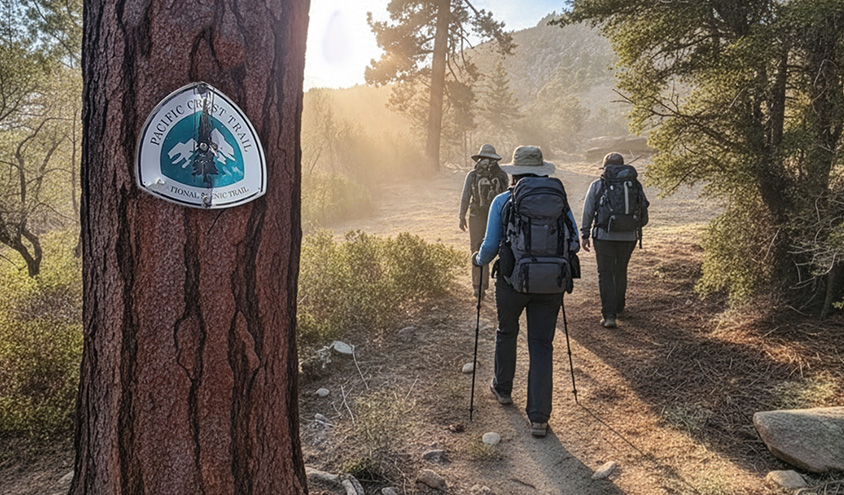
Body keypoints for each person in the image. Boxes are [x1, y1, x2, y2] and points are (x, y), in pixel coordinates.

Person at [472, 145, 579, 438]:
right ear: (542, 171)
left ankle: (503, 389)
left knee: (506, 331)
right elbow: (573, 242)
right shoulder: (559, 199)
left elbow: (490, 246)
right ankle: (539, 418)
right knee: (541, 345)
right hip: (552, 283)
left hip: (512, 282)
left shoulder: (502, 200)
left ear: (514, 173)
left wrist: (478, 260)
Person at [580, 152, 649, 329]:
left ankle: (609, 316)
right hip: (629, 236)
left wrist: (585, 234)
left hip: (604, 236)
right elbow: (643, 209)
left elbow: (588, 210)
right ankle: (619, 307)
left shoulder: (598, 184)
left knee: (605, 273)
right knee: (620, 270)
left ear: (605, 167)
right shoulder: (634, 184)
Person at [459, 144, 509, 299]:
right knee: (502, 248)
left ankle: (479, 286)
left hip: (476, 216)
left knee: (477, 249)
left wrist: (461, 216)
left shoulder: (473, 175)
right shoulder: (502, 175)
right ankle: (503, 283)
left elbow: (466, 196)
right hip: (497, 216)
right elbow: (507, 197)